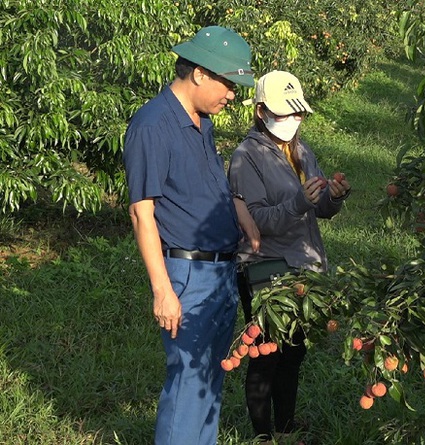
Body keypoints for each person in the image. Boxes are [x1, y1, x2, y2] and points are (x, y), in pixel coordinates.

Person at [122, 26, 261, 445]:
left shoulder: (201, 122)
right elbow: (141, 212)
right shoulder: (153, 125)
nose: (233, 95)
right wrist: (163, 290)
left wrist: (241, 217)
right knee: (187, 386)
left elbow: (206, 186)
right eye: (229, 83)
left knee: (209, 379)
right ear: (199, 73)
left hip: (219, 271)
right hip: (187, 276)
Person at [227, 70, 351, 443]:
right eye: (284, 113)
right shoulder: (246, 157)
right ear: (261, 111)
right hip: (267, 267)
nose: (292, 121)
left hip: (303, 269)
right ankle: (264, 436)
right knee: (266, 355)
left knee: (293, 352)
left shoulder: (300, 149)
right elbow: (256, 221)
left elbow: (321, 209)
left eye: (297, 113)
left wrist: (335, 196)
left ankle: (285, 428)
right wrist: (300, 201)